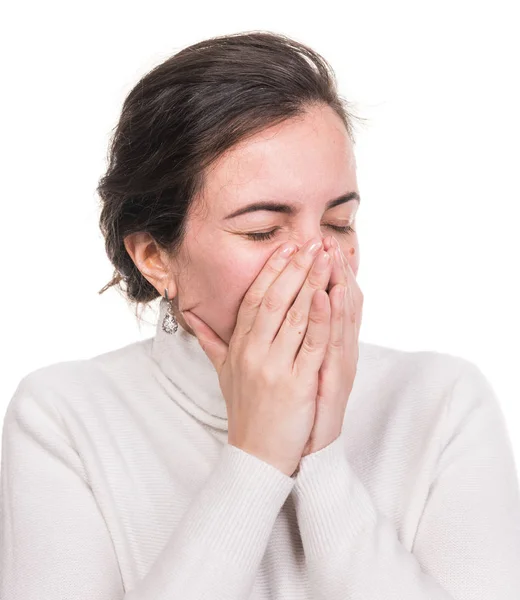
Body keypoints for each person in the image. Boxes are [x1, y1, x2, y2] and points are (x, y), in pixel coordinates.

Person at [1, 30, 520, 600]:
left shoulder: (443, 402)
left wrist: (320, 458)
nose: (318, 261)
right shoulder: (62, 418)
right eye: (262, 231)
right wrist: (256, 458)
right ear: (154, 257)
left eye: (339, 223)